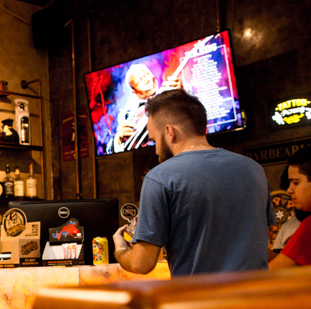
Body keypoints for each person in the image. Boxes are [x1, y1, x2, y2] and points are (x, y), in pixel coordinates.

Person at [112, 89, 273, 277]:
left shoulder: (160, 177)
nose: (156, 151)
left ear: (169, 132)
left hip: (200, 294)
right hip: (258, 293)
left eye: (154, 140)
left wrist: (121, 249)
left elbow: (141, 264)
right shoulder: (254, 169)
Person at [110, 63, 181, 154]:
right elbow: (112, 151)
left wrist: (182, 95)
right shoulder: (126, 115)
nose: (146, 80)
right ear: (135, 92)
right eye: (139, 81)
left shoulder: (173, 95)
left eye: (146, 75)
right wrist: (118, 140)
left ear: (153, 76)